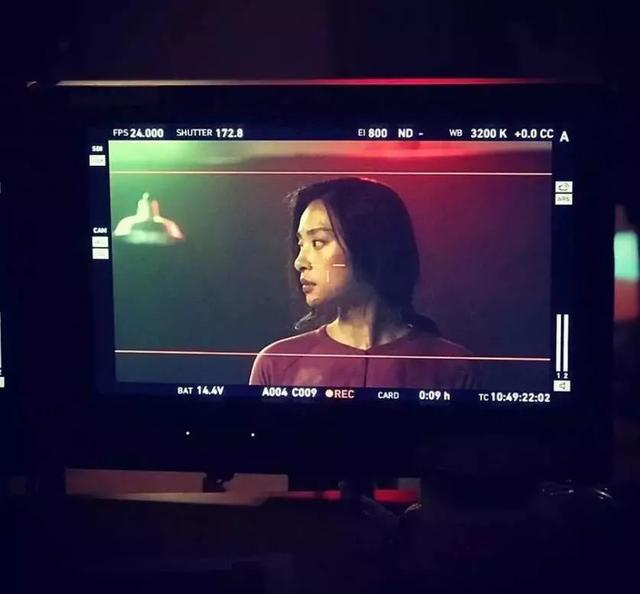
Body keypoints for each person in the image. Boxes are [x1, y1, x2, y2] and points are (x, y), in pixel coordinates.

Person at [249, 177, 475, 388]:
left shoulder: (454, 368)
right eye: (300, 245)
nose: (300, 262)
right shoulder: (276, 364)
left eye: (318, 242)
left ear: (368, 245)